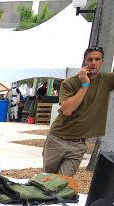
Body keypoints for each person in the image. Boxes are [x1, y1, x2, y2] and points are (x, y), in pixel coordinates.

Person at [43, 46, 114, 177]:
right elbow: (68, 110)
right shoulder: (69, 83)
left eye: (97, 59)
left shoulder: (106, 80)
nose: (93, 63)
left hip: (79, 144)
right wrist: (85, 85)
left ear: (102, 62)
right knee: (47, 180)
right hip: (57, 139)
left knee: (63, 183)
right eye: (90, 59)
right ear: (84, 62)